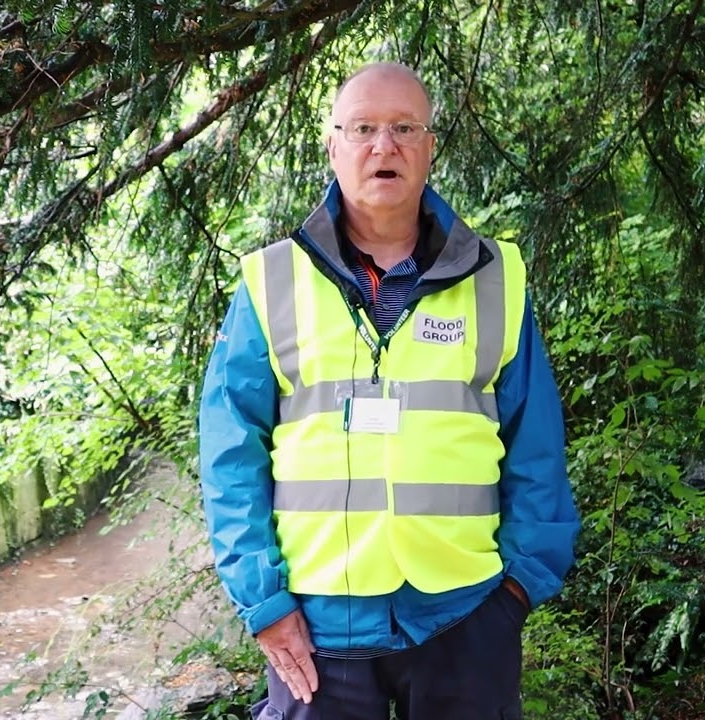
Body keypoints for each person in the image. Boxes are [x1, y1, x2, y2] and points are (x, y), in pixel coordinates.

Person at [197, 62, 581, 719]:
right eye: (364, 129)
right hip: (316, 622)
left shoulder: (495, 278)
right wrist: (264, 603)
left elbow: (536, 446)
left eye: (405, 128)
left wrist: (518, 590)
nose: (384, 146)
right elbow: (230, 456)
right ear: (333, 146)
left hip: (465, 611)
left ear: (430, 148)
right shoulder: (271, 282)